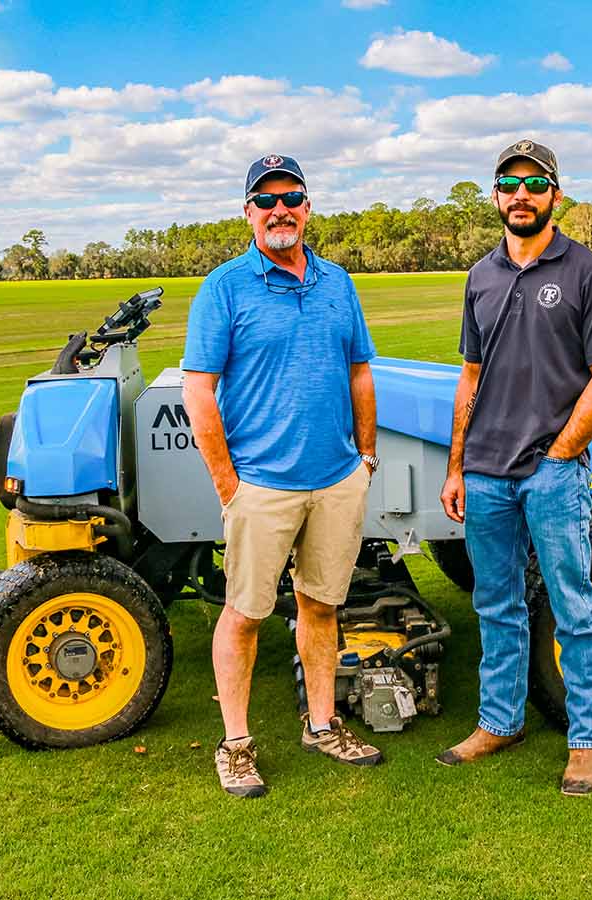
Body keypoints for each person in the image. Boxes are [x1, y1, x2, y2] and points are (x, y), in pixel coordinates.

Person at [437, 139, 592, 796]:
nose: (520, 194)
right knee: (495, 604)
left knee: (575, 607)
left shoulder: (586, 272)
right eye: (509, 183)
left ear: (556, 193)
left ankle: (588, 741)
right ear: (495, 195)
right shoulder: (481, 275)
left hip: (551, 474)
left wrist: (560, 451)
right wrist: (456, 466)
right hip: (486, 474)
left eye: (534, 182)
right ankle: (499, 722)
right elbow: (470, 375)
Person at [181, 154, 384, 799]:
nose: (279, 210)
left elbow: (359, 372)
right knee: (244, 614)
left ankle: (322, 725)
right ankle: (236, 744)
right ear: (248, 212)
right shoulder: (224, 287)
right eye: (265, 200)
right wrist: (227, 484)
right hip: (261, 486)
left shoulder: (337, 283)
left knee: (321, 607)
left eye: (290, 197)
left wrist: (366, 458)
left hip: (335, 479)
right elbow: (199, 391)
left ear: (306, 207)